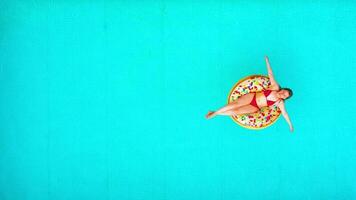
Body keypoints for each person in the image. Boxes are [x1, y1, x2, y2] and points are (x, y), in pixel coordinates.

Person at [206, 56, 294, 132]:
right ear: (282, 89)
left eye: (284, 95)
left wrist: (290, 125)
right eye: (283, 92)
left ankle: (215, 113)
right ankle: (214, 113)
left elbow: (285, 113)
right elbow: (270, 74)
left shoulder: (280, 102)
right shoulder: (275, 87)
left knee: (236, 111)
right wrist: (267, 61)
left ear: (285, 98)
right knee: (234, 104)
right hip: (252, 97)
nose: (282, 94)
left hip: (255, 107)